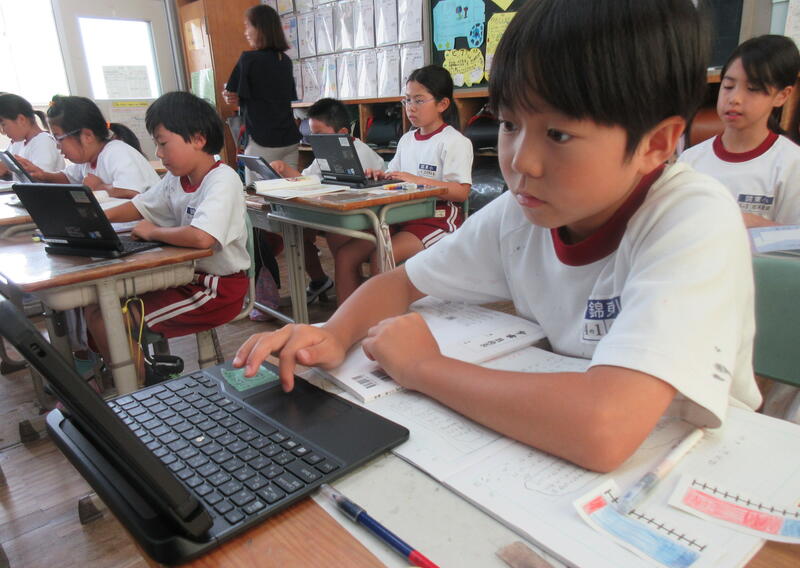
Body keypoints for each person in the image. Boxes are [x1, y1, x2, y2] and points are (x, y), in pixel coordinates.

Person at [233, 0, 761, 473]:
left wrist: (424, 367)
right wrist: (333, 332)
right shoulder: (522, 214)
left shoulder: (692, 218)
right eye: (509, 124)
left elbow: (605, 427)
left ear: (657, 144)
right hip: (557, 447)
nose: (520, 162)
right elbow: (400, 283)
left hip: (695, 466)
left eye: (558, 134)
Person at [86, 91, 249, 384]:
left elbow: (202, 238)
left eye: (163, 143)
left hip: (215, 289)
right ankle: (137, 377)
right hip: (183, 278)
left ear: (198, 139)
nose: (159, 153)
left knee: (110, 319)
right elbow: (140, 206)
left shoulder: (223, 179)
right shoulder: (176, 180)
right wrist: (95, 217)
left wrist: (153, 232)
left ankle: (135, 389)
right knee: (97, 306)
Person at [332, 65, 473, 304]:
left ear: (442, 104)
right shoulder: (407, 139)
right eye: (407, 100)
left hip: (436, 219)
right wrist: (380, 176)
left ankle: (383, 318)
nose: (411, 107)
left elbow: (461, 192)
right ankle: (346, 321)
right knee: (346, 255)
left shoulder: (454, 141)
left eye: (419, 100)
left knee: (382, 256)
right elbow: (396, 176)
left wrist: (417, 180)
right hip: (399, 216)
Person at [264, 97, 386, 310]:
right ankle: (325, 283)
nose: (315, 142)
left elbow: (355, 194)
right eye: (312, 135)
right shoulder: (328, 150)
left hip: (364, 216)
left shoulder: (359, 153)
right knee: (296, 232)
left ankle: (352, 300)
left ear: (342, 133)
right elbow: (308, 180)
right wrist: (283, 169)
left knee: (338, 238)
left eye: (319, 134)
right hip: (336, 212)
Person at [679, 35, 800, 227]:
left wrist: (753, 223)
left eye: (752, 88)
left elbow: (794, 238)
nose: (734, 98)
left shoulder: (791, 164)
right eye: (728, 86)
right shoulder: (690, 160)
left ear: (782, 96)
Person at [15, 95, 160, 199]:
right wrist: (43, 175)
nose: (57, 146)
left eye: (59, 138)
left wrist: (100, 187)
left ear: (87, 136)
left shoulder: (116, 152)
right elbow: (68, 178)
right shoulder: (87, 159)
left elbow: (132, 192)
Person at [223, 4, 301, 178]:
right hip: (289, 139)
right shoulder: (285, 61)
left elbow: (231, 94)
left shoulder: (248, 59)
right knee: (292, 189)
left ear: (260, 28)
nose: (246, 32)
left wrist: (230, 97)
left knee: (259, 193)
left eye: (248, 26)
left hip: (262, 141)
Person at [0, 93, 64, 178]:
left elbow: (40, 179)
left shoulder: (43, 142)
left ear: (21, 119)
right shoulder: (19, 144)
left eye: (3, 125)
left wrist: (7, 173)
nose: (3, 131)